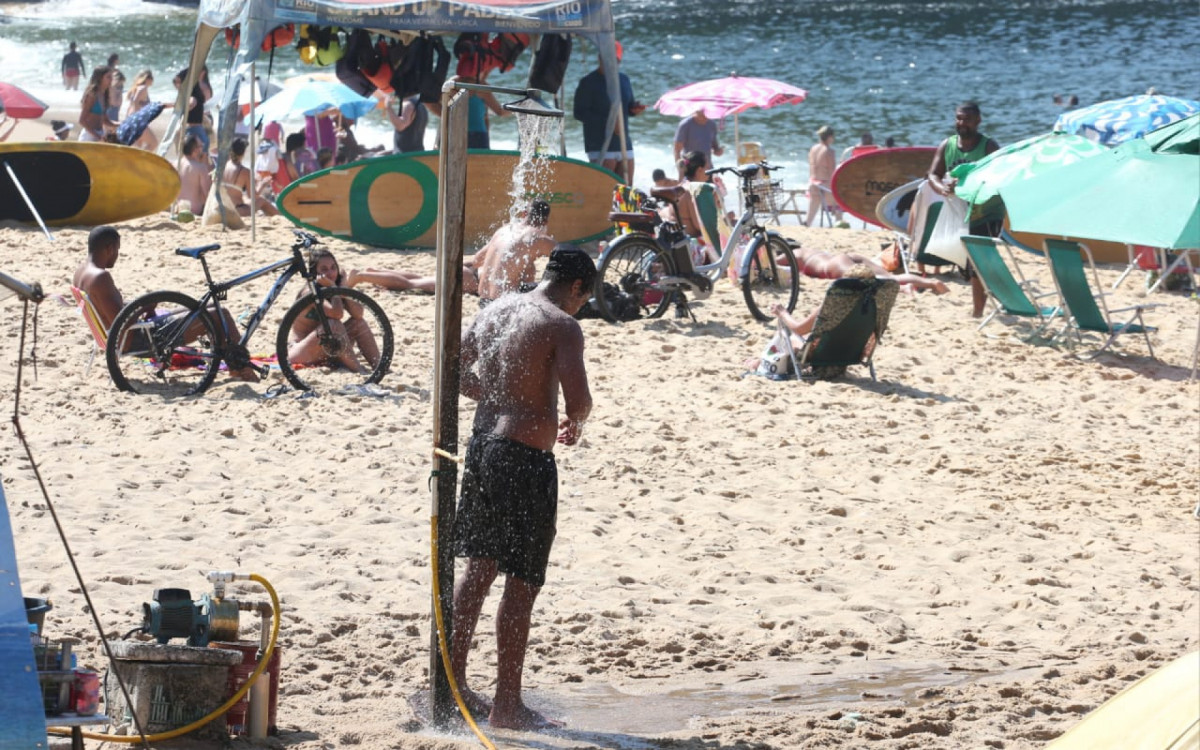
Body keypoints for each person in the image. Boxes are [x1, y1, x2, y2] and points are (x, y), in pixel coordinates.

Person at [451, 244, 595, 731]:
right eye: (582, 300)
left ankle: (452, 684)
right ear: (577, 286)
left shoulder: (497, 308)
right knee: (522, 580)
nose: (579, 308)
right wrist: (576, 421)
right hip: (524, 459)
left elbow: (455, 369)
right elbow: (579, 399)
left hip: (482, 448)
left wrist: (498, 396)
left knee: (477, 570)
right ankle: (507, 704)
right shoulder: (561, 324)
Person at [74, 226, 258, 381]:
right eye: (117, 250)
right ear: (109, 248)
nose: (117, 255)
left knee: (205, 308)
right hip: (140, 339)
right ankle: (243, 370)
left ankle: (235, 366)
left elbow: (110, 311)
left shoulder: (81, 273)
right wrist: (145, 308)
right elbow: (121, 326)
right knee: (220, 314)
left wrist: (139, 306)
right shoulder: (101, 277)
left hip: (124, 335)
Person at [926, 101, 1001, 317]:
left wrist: (967, 184)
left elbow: (998, 178)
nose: (962, 123)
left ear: (978, 121)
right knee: (967, 263)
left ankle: (978, 312)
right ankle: (991, 299)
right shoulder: (947, 145)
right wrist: (942, 188)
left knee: (977, 261)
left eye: (967, 119)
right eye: (959, 118)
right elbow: (933, 174)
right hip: (959, 210)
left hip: (986, 211)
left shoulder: (988, 146)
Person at [285, 249, 380, 373]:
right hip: (301, 351)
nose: (330, 273)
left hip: (327, 348)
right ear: (315, 273)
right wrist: (333, 288)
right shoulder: (309, 291)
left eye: (333, 268)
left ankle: (380, 367)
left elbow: (358, 314)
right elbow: (337, 314)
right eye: (324, 269)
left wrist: (343, 288)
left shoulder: (335, 285)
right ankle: (359, 370)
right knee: (333, 325)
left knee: (359, 323)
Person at [572, 41, 645, 182]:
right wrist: (609, 123)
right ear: (600, 58)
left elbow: (627, 106)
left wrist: (634, 109)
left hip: (623, 142)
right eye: (607, 59)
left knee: (626, 188)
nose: (611, 63)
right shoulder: (588, 82)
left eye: (615, 60)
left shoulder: (624, 79)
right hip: (600, 144)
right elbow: (579, 113)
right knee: (605, 189)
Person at [474, 200, 557, 305]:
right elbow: (567, 256)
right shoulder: (538, 237)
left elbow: (477, 260)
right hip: (504, 305)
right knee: (531, 269)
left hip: (483, 301)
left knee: (527, 265)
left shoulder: (503, 230)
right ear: (545, 222)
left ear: (524, 214)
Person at [790, 244, 950, 294]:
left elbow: (777, 266)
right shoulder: (810, 250)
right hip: (845, 257)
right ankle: (929, 283)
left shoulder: (795, 253)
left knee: (871, 281)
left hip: (832, 266)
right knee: (890, 276)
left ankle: (905, 288)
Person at [223, 137, 278, 217]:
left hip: (223, 208)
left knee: (244, 197)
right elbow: (253, 196)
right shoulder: (244, 171)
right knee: (261, 200)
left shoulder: (224, 165)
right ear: (243, 152)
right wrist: (262, 184)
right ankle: (282, 217)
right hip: (237, 210)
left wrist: (255, 180)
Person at [805, 125, 838, 227]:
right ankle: (839, 223)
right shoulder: (829, 151)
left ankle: (807, 222)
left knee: (814, 202)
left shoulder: (813, 149)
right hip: (825, 188)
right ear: (830, 137)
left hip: (812, 185)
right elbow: (832, 173)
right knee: (841, 198)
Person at [173, 66, 210, 154]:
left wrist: (184, 107)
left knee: (191, 159)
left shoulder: (191, 94)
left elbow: (192, 101)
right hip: (199, 130)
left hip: (193, 133)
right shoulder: (197, 91)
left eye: (179, 83)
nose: (177, 87)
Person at [176, 133, 212, 215]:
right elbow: (208, 195)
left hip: (177, 209)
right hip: (194, 212)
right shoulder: (200, 168)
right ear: (195, 150)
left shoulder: (175, 164)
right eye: (201, 146)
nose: (202, 148)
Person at [78, 66, 116, 142]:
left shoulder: (104, 95)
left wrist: (123, 124)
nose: (111, 80)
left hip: (100, 133)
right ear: (100, 78)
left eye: (112, 77)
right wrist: (97, 136)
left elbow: (106, 121)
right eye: (108, 77)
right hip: (89, 135)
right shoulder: (92, 95)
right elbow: (82, 120)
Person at [123, 70, 157, 150]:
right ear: (147, 79)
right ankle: (143, 158)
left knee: (138, 146)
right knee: (153, 143)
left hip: (131, 118)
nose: (152, 81)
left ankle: (136, 158)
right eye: (152, 78)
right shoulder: (143, 88)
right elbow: (135, 102)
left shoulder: (136, 88)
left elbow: (132, 105)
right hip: (137, 121)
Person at [105, 55, 123, 123]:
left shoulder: (104, 70)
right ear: (115, 60)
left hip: (107, 98)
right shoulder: (116, 72)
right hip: (113, 100)